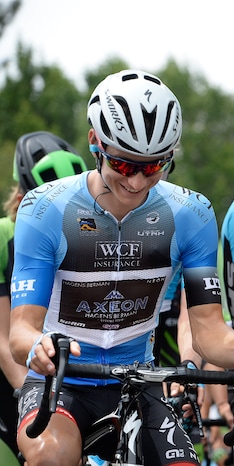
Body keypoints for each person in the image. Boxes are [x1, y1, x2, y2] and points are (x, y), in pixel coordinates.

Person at [9, 69, 234, 466]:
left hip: (140, 381)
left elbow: (207, 333)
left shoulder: (191, 213)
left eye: (153, 167)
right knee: (53, 457)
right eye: (123, 165)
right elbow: (20, 332)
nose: (136, 181)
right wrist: (40, 347)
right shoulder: (44, 209)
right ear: (94, 143)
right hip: (63, 381)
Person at [0, 131, 87, 461]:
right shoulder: (4, 235)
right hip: (16, 372)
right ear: (23, 194)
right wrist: (29, 391)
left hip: (60, 376)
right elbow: (3, 335)